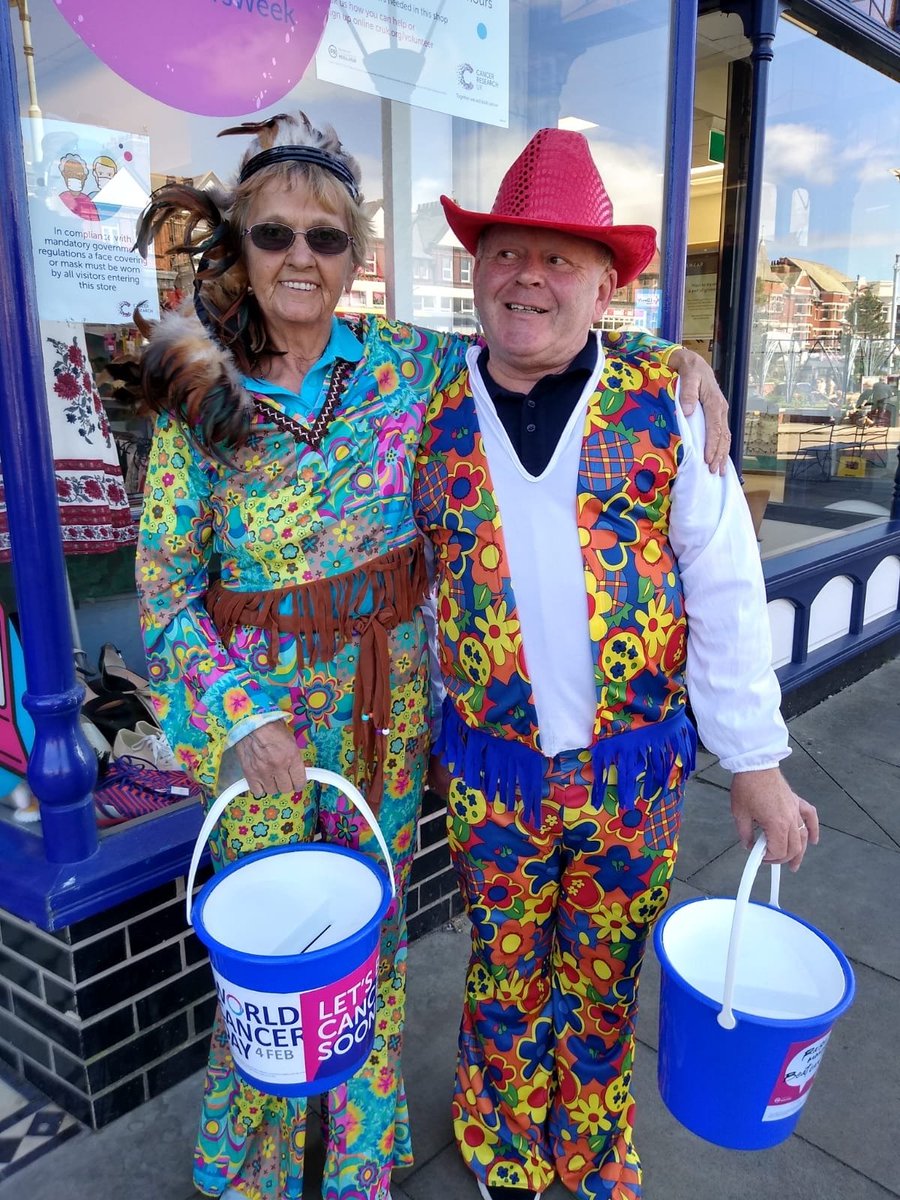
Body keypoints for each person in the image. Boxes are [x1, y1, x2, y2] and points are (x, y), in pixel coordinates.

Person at [131, 112, 730, 1200]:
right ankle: (258, 1172)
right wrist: (233, 714)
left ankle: (357, 1166)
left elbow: (543, 346)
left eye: (326, 240)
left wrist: (675, 365)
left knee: (372, 943)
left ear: (359, 257)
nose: (300, 260)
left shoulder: (411, 368)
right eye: (274, 237)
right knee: (275, 952)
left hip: (390, 706)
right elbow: (166, 591)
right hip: (262, 722)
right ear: (242, 247)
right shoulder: (197, 402)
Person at [412, 127, 820, 1200]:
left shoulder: (669, 404)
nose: (527, 276)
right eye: (506, 252)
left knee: (602, 981)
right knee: (503, 973)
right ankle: (501, 1141)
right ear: (476, 270)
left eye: (559, 258)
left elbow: (727, 586)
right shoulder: (420, 409)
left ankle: (589, 1149)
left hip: (630, 775)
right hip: (492, 773)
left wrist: (758, 760)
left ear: (606, 285)